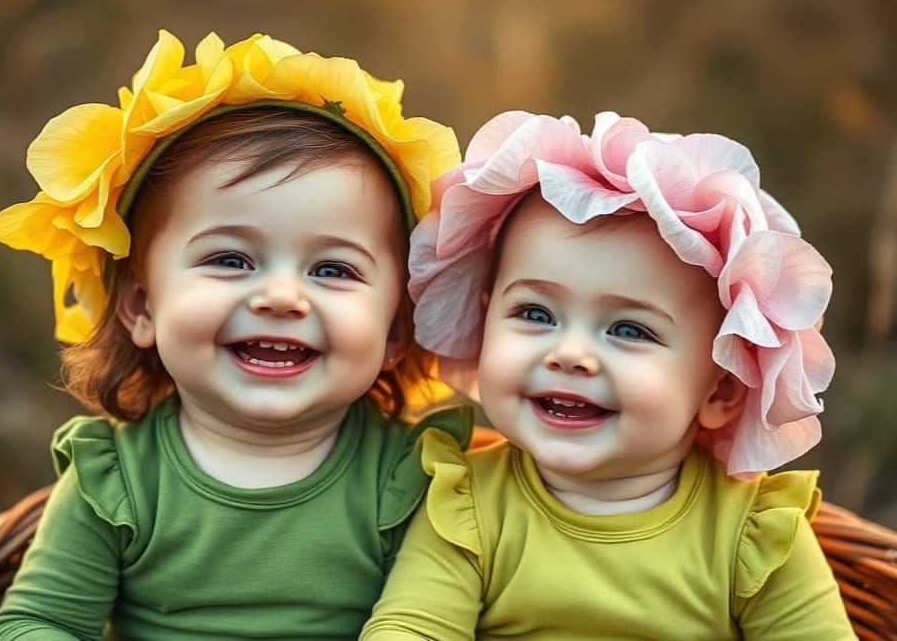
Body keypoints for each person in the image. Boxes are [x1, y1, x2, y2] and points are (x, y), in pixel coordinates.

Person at [0, 29, 472, 640]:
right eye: (230, 260)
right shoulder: (115, 478)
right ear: (141, 307)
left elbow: (427, 623)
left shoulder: (407, 475)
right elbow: (35, 621)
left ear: (396, 332)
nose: (281, 296)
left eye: (332, 270)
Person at [362, 111, 855, 639]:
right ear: (484, 326)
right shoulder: (468, 507)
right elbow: (412, 627)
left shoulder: (753, 536)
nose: (570, 353)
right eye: (535, 314)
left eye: (628, 330)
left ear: (724, 391)